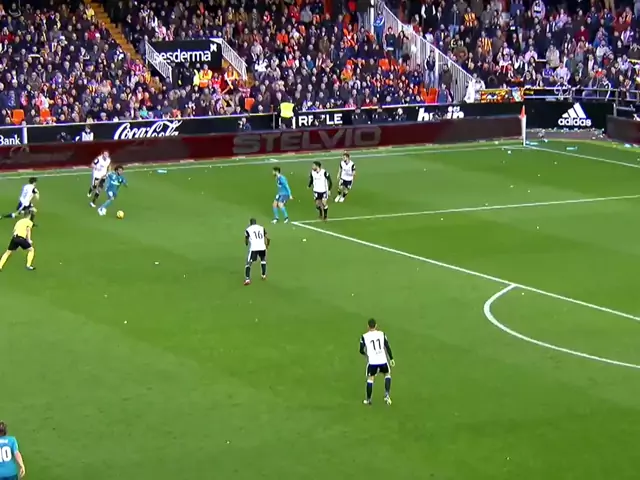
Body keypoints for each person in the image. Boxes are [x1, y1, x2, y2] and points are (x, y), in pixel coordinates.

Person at [359, 318, 395, 406]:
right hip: (383, 360)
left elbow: (361, 350)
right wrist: (391, 358)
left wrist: (366, 355)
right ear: (376, 325)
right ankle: (387, 395)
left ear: (368, 326)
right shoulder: (381, 334)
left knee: (370, 379)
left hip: (372, 361)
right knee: (387, 375)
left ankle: (368, 400)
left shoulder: (364, 336)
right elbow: (387, 346)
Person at [244, 218, 269, 285]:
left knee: (248, 263)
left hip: (254, 248)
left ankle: (247, 279)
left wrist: (246, 243)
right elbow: (267, 237)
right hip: (262, 247)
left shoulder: (248, 229)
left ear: (250, 223)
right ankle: (263, 275)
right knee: (263, 260)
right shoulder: (261, 228)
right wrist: (267, 245)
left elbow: (246, 239)